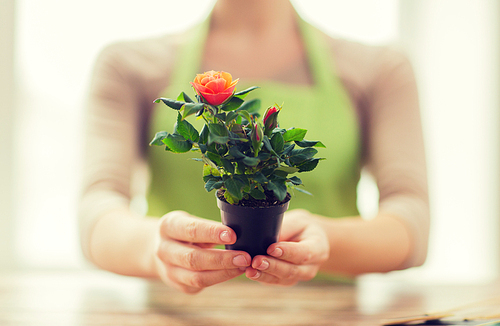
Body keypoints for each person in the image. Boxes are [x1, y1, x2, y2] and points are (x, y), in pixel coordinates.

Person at [79, 0, 429, 294]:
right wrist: (155, 248)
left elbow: (411, 222)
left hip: (328, 316)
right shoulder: (129, 65)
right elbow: (97, 212)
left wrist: (328, 242)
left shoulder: (379, 69)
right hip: (177, 315)